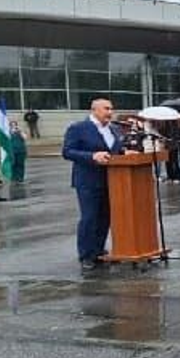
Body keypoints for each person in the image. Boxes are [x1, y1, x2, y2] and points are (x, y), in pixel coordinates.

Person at [61, 98, 124, 268]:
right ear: (94, 110)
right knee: (89, 218)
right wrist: (92, 156)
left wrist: (126, 153)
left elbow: (116, 150)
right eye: (106, 109)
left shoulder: (114, 129)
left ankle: (98, 250)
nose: (110, 112)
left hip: (112, 180)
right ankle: (86, 255)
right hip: (88, 180)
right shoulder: (79, 128)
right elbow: (67, 152)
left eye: (111, 109)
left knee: (105, 217)